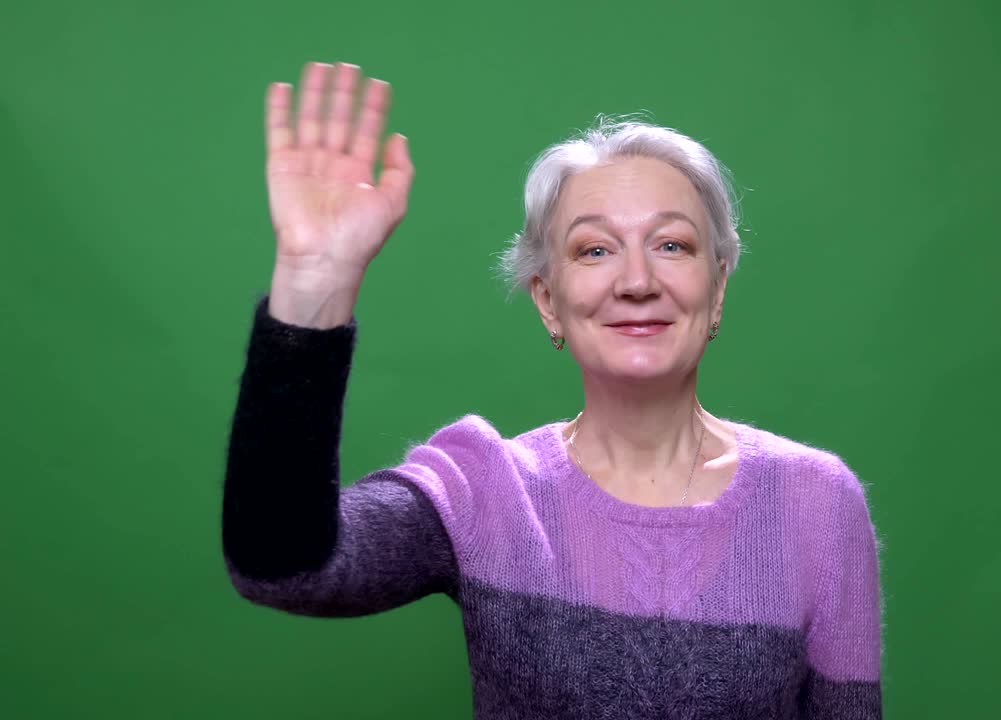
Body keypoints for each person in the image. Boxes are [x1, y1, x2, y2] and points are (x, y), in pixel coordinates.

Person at [222, 60, 884, 719]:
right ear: (548, 300)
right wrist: (315, 281)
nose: (636, 280)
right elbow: (282, 567)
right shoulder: (484, 488)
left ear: (717, 289)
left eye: (673, 245)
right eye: (594, 250)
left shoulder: (818, 503)